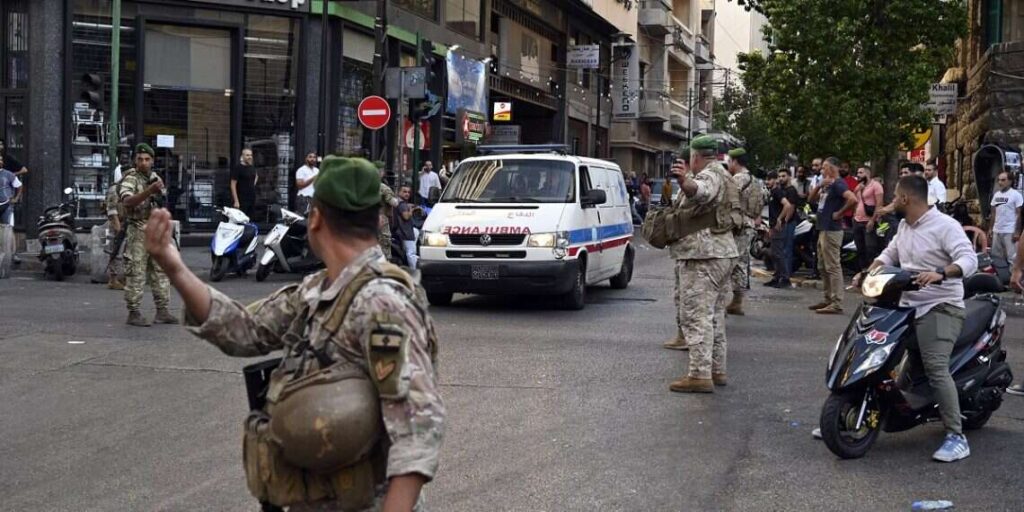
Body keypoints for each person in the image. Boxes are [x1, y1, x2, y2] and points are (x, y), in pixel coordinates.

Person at [143, 155, 445, 509]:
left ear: (315, 219)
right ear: (376, 218)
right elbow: (244, 330)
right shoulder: (318, 290)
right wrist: (173, 266)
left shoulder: (382, 302)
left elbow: (418, 428)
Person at [862, 174, 977, 461]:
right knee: (880, 356)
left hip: (941, 305)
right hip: (906, 305)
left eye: (894, 197)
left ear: (906, 199)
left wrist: (942, 273)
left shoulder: (945, 226)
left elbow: (969, 259)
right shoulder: (904, 225)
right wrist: (869, 271)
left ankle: (956, 436)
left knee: (936, 368)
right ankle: (863, 415)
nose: (891, 203)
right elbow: (890, 254)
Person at [667, 135, 739, 393]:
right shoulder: (725, 174)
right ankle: (716, 369)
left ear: (695, 157)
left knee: (696, 315)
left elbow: (701, 193)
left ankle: (699, 374)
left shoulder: (709, 175)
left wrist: (685, 181)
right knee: (715, 315)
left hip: (704, 256)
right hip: (722, 253)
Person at [118, 143, 177, 327]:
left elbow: (162, 200)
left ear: (152, 161)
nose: (144, 162)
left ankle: (162, 310)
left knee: (161, 271)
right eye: (140, 159)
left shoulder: (154, 178)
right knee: (136, 271)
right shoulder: (130, 178)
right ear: (135, 160)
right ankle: (133, 312)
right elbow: (127, 201)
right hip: (137, 229)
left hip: (155, 230)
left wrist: (158, 194)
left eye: (147, 159)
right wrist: (148, 192)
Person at [807, 157, 857, 314]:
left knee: (833, 266)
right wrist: (818, 186)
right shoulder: (827, 185)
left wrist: (839, 213)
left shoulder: (838, 183)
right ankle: (828, 298)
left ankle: (836, 302)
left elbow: (852, 199)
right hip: (823, 228)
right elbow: (810, 200)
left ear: (832, 168)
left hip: (832, 229)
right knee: (822, 266)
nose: (822, 170)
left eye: (824, 167)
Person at [726, 148, 761, 315]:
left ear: (735, 161)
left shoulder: (737, 179)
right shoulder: (755, 180)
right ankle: (737, 301)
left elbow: (726, 200)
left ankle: (731, 301)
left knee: (730, 261)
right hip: (749, 224)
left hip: (737, 225)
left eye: (729, 161)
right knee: (741, 262)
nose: (727, 164)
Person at [663, 150, 691, 351]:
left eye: (681, 163)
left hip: (694, 251)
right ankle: (682, 335)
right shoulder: (684, 185)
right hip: (684, 249)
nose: (677, 167)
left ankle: (690, 340)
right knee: (680, 296)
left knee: (690, 299)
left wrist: (684, 180)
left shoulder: (696, 183)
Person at [766, 168, 799, 288]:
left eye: (770, 179)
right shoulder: (774, 192)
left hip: (779, 226)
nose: (767, 182)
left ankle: (785, 278)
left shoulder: (778, 192)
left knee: (779, 252)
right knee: (775, 253)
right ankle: (777, 277)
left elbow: (788, 205)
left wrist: (781, 219)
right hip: (774, 225)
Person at [853, 166, 884, 272]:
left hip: (868, 221)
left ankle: (871, 270)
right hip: (857, 220)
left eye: (861, 173)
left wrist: (872, 220)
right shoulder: (859, 186)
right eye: (857, 173)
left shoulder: (876, 185)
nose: (858, 175)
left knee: (870, 248)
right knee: (859, 248)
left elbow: (879, 204)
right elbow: (855, 201)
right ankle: (862, 270)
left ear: (867, 174)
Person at [987, 171, 1022, 267]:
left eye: (1003, 180)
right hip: (997, 230)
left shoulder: (1016, 195)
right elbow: (993, 213)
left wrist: (1017, 231)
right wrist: (990, 229)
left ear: (1010, 181)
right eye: (999, 180)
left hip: (1009, 230)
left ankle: (1013, 279)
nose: (1000, 182)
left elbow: (1019, 214)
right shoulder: (996, 195)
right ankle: (1001, 278)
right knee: (996, 257)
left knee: (1012, 258)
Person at [103, 169, 126, 290]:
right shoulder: (115, 189)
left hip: (126, 223)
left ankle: (123, 278)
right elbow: (111, 210)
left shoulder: (127, 188)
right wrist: (117, 227)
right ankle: (113, 279)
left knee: (125, 253)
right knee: (116, 251)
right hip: (117, 223)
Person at [393, 185, 418, 268]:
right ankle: (414, 271)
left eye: (408, 192)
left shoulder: (399, 202)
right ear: (399, 192)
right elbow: (406, 217)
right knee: (411, 253)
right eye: (404, 191)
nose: (407, 194)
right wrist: (412, 210)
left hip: (402, 232)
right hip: (406, 232)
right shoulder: (402, 204)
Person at [379, 165, 400, 260]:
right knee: (385, 243)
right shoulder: (383, 188)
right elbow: (394, 203)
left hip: (365, 220)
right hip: (381, 219)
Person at [230, 148, 258, 218]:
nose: (250, 157)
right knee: (241, 219)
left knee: (250, 219)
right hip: (241, 199)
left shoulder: (252, 167)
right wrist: (236, 201)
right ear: (242, 156)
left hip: (251, 198)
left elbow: (256, 176)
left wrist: (252, 185)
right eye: (247, 155)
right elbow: (233, 185)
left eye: (251, 155)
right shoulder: (238, 168)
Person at [0, 158, 22, 226]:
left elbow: (19, 186)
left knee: (7, 226)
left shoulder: (8, 174)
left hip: (6, 204)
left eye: (1, 160)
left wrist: (16, 198)